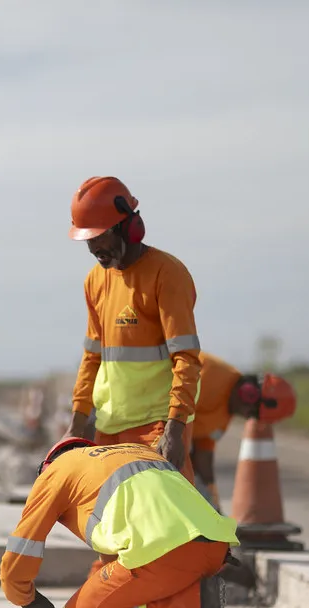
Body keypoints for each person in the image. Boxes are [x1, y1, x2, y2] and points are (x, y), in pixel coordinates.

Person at [0, 437, 240, 608]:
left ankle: (192, 605)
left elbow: (22, 546)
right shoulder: (137, 452)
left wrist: (26, 600)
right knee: (126, 592)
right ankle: (201, 596)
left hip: (163, 552)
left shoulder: (56, 472)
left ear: (48, 465)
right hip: (215, 547)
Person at [62, 176, 202, 484]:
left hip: (157, 427)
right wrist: (76, 424)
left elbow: (187, 359)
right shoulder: (95, 281)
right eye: (88, 239)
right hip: (109, 427)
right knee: (112, 525)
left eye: (101, 236)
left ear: (128, 227)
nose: (94, 247)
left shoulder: (167, 274)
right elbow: (91, 359)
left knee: (164, 525)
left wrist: (175, 429)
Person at [191, 351, 297, 510]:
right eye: (252, 412)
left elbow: (203, 452)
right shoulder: (211, 376)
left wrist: (212, 503)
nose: (247, 416)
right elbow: (172, 420)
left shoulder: (224, 415)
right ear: (249, 394)